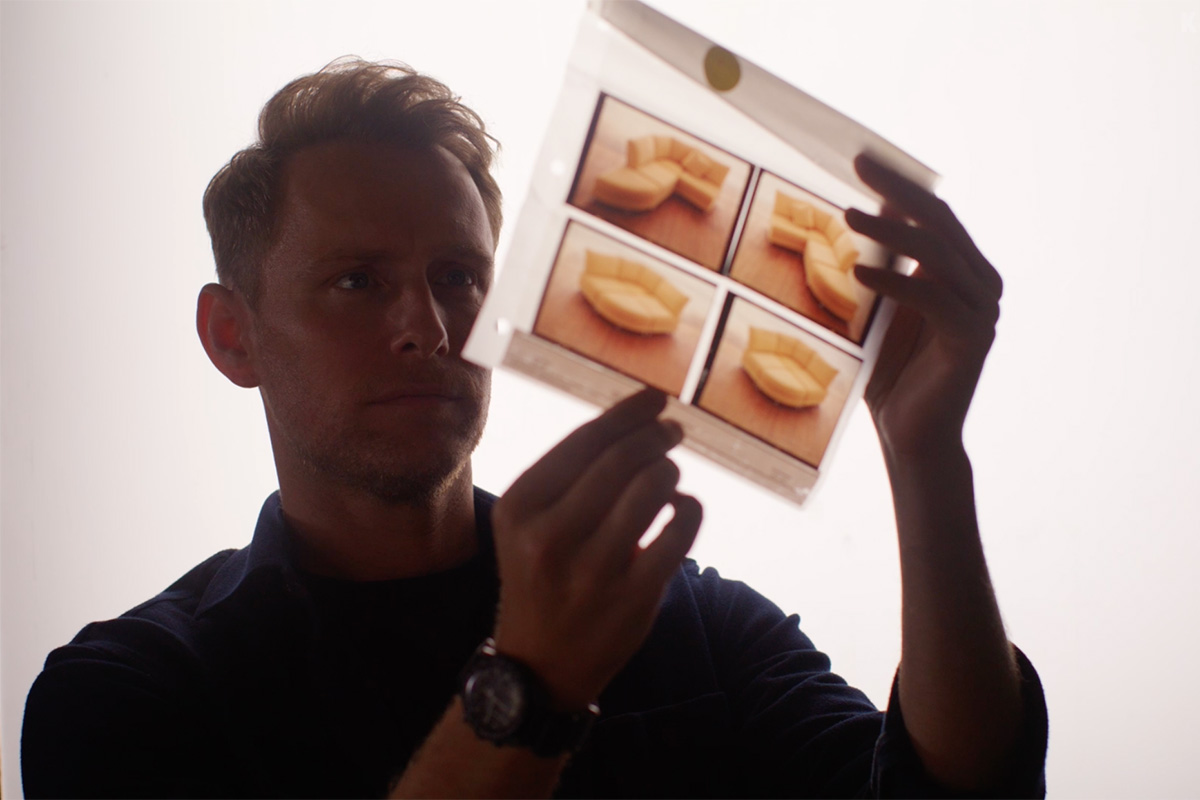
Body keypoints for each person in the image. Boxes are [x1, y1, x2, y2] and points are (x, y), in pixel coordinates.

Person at [21, 58, 1047, 798]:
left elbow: (953, 791)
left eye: (458, 277)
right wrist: (530, 687)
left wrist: (926, 456)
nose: (425, 328)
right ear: (231, 335)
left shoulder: (685, 618)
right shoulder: (130, 695)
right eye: (354, 281)